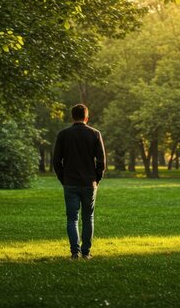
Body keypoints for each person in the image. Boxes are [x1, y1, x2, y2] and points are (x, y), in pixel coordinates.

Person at [52, 104, 106, 259]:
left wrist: (63, 179)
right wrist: (96, 179)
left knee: (72, 218)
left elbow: (56, 161)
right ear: (86, 117)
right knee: (88, 218)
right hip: (89, 182)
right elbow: (101, 162)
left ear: (72, 117)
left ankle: (75, 252)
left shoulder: (63, 135)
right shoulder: (95, 134)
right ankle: (86, 252)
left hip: (70, 182)